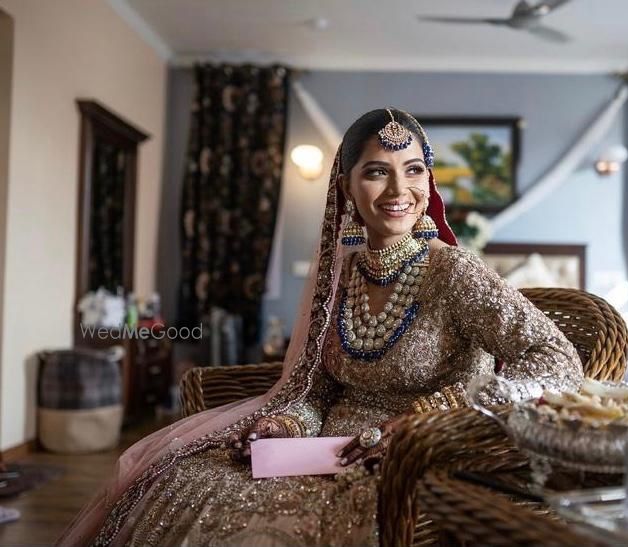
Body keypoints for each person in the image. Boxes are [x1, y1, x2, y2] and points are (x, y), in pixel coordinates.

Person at [59, 108, 583, 546]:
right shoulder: (341, 275)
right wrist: (286, 426)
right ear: (347, 187)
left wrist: (435, 415)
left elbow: (556, 357)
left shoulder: (454, 272)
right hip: (319, 452)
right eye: (377, 171)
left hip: (411, 459)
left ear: (429, 180)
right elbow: (318, 386)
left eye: (414, 169)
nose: (399, 189)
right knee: (180, 481)